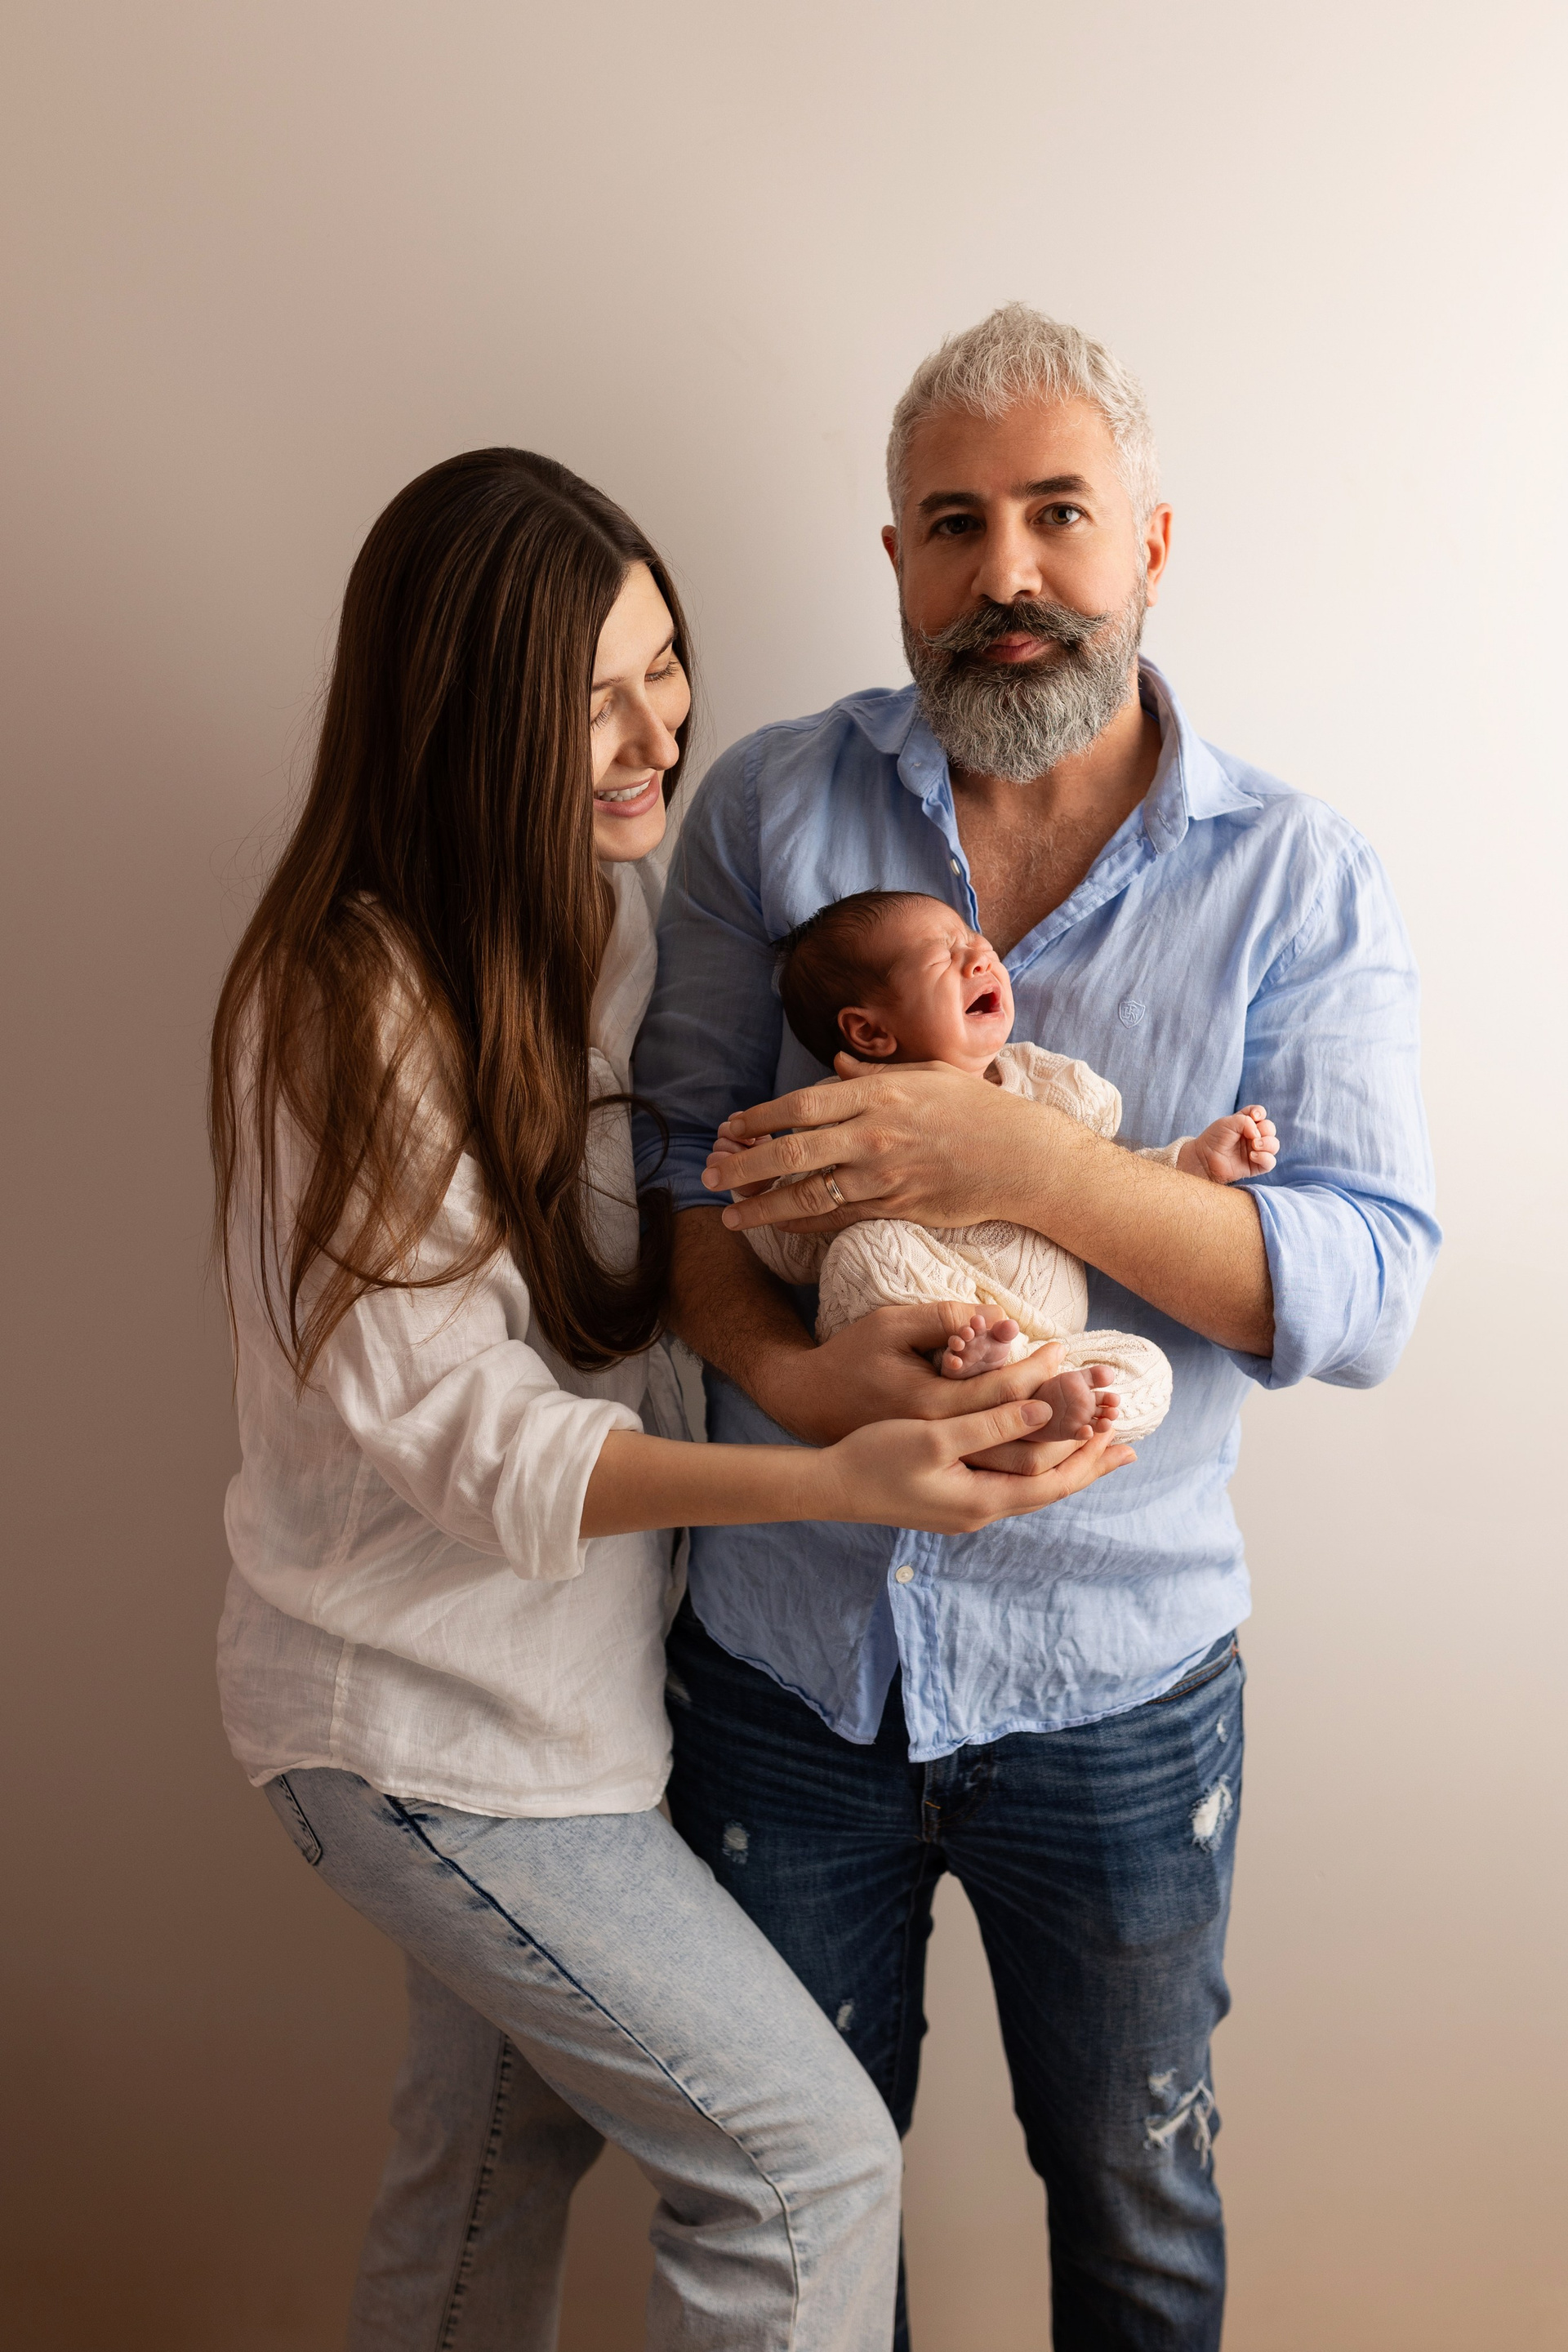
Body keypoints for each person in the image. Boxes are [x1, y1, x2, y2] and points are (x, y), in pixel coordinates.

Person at [208, 447, 1130, 2352]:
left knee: (482, 2177)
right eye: (593, 702)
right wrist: (835, 1474)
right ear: (464, 718)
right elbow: (468, 1437)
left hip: (562, 1707)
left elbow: (665, 1271)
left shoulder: (607, 922)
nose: (658, 736)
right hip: (420, 1720)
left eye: (663, 667)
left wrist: (845, 1338)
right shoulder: (348, 1007)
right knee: (806, 2173)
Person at [633, 307, 1440, 2351]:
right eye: (952, 524)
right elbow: (668, 1186)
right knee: (794, 2221)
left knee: (1137, 2207)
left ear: (1149, 542)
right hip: (785, 1678)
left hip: (1122, 1685)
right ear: (894, 559)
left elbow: (1362, 1290)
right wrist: (802, 1381)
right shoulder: (767, 809)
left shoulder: (1297, 878)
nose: (1007, 571)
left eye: (1058, 514)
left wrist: (1017, 1166)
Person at [714, 884, 1278, 1440]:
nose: (980, 957)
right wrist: (759, 1189)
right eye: (943, 956)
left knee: (1147, 1368)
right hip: (913, 1344)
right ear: (870, 1030)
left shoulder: (1043, 1083)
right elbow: (798, 1256)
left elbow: (1110, 1171)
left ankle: (1036, 1395)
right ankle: (971, 1367)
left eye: (975, 941)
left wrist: (1191, 1161)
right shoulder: (845, 1120)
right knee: (867, 1249)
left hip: (1046, 1347)